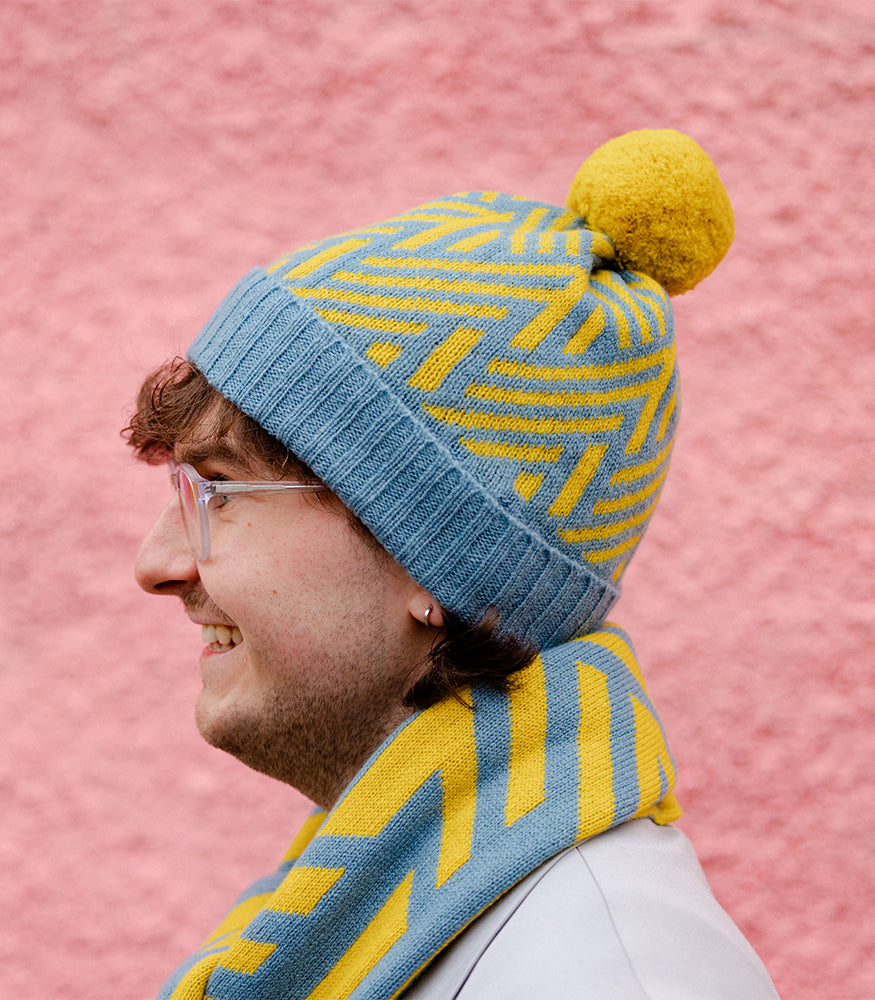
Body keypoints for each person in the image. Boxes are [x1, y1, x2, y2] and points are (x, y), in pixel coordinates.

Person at [128, 130, 779, 999]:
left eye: (220, 489)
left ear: (436, 566)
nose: (158, 563)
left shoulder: (606, 972)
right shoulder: (380, 912)